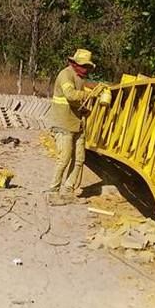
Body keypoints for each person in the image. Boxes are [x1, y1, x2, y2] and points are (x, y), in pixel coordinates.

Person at [46, 48, 100, 202]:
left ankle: (68, 191)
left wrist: (86, 107)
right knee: (64, 158)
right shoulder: (66, 75)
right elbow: (70, 95)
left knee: (79, 160)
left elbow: (78, 102)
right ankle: (53, 192)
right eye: (84, 66)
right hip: (63, 123)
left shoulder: (80, 78)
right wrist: (90, 94)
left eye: (88, 67)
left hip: (77, 124)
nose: (86, 70)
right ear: (74, 63)